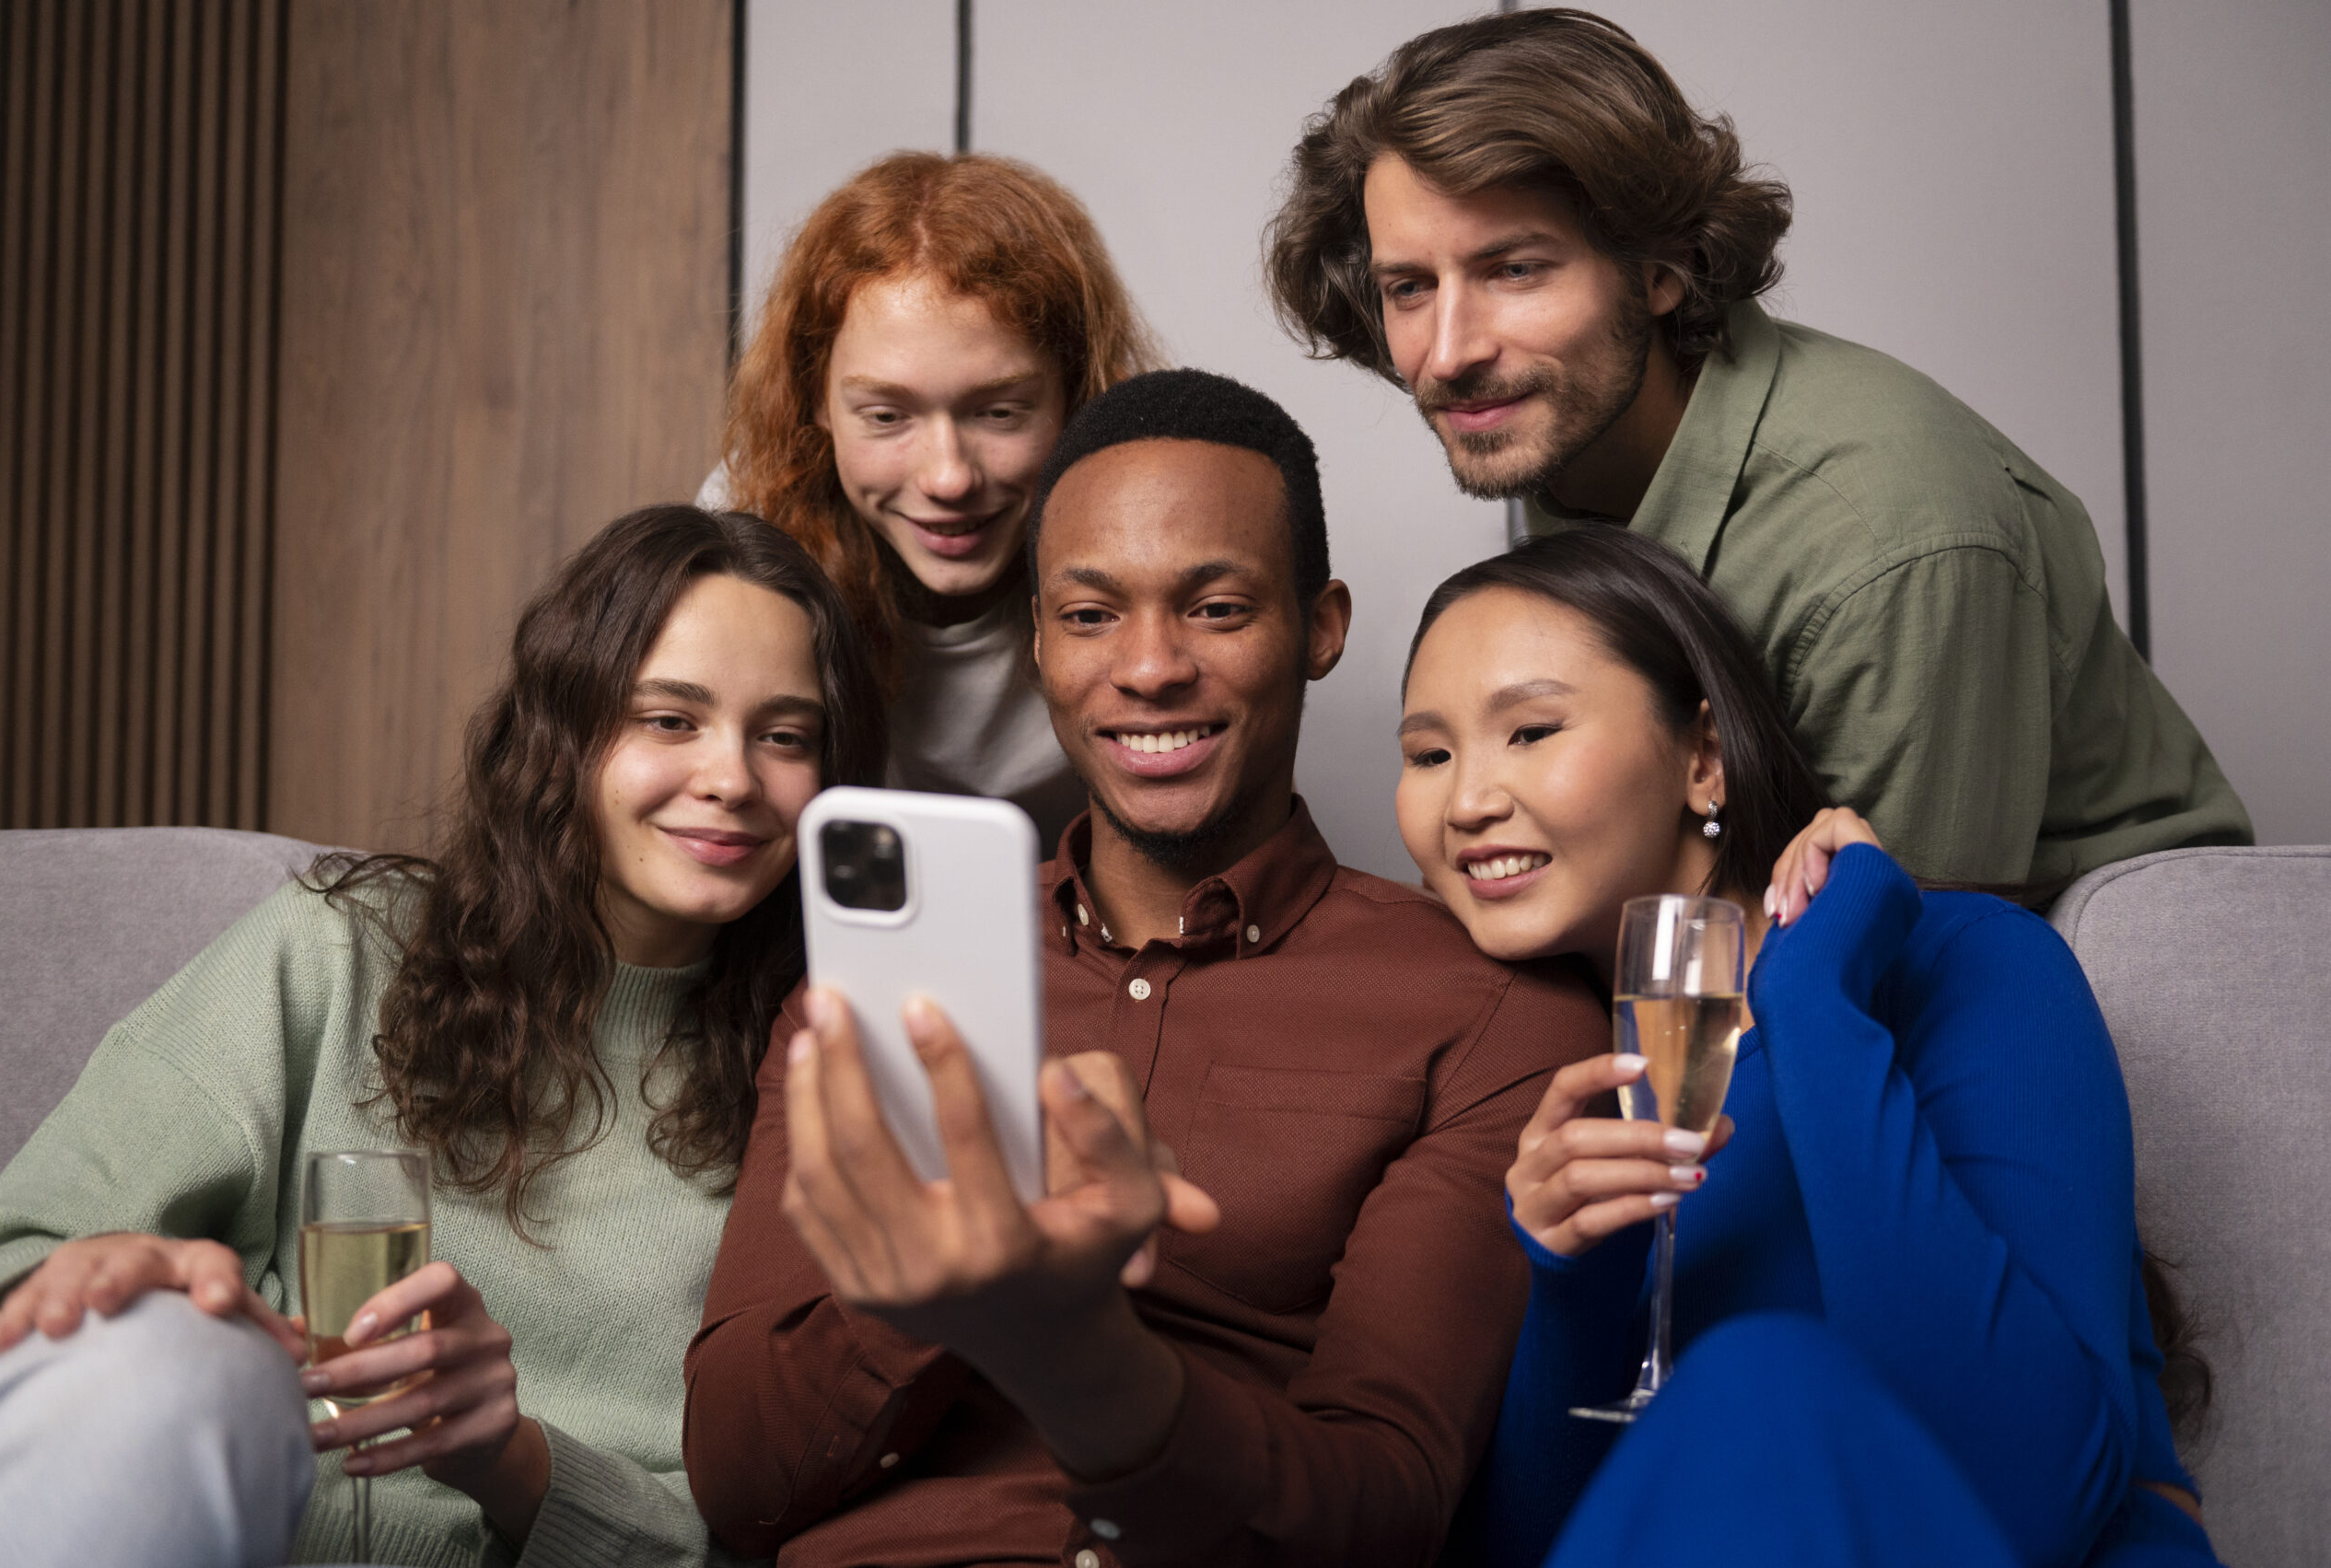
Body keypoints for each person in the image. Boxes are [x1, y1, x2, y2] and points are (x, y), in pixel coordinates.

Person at [682, 369, 1609, 1566]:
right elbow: (738, 1478)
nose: (1150, 665)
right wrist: (953, 1276)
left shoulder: (1491, 1012)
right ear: (1034, 642)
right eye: (1088, 614)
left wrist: (1079, 1347)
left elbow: (1382, 1505)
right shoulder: (872, 977)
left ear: (1320, 626)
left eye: (1217, 608)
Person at [0, 506, 884, 1567]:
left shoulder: (826, 1072)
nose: (732, 776)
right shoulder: (341, 948)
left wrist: (510, 1454)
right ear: (566, 731)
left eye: (784, 735)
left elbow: (757, 1536)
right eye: (669, 719)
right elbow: (4, 1262)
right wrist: (124, 1288)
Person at [1266, 7, 2252, 887]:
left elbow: (1893, 973)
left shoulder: (1889, 537)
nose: (1448, 352)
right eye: (1408, 287)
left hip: (2095, 1005)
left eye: (1515, 269)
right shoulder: (1565, 431)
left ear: (1661, 270)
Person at [1392, 525, 2219, 1566]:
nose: (1466, 800)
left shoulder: (1961, 965)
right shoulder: (1536, 1077)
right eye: (1427, 753)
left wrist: (1813, 999)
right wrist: (1570, 1276)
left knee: (1753, 1377)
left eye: (1530, 730)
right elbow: (1559, 1542)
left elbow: (2029, 1495)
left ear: (1702, 755)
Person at [702, 151, 1160, 855]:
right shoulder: (743, 536)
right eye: (886, 417)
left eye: (1000, 413)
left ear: (1075, 399)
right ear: (813, 403)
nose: (948, 478)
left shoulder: (1156, 540)